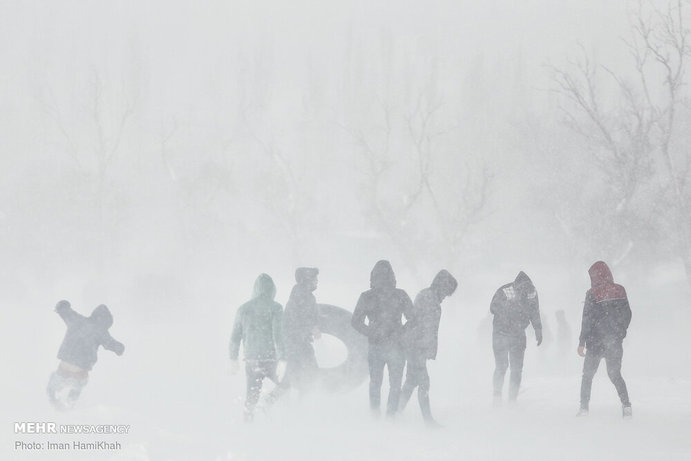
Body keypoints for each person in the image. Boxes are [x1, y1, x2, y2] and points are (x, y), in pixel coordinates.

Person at [351, 260, 413, 418]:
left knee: (376, 383)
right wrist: (400, 332)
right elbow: (413, 319)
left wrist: (371, 332)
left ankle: (375, 415)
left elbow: (356, 321)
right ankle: (390, 415)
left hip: (378, 345)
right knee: (394, 384)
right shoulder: (400, 295)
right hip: (394, 346)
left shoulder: (367, 296)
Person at [399, 270, 458, 426]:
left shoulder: (429, 297)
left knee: (411, 381)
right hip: (415, 346)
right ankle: (427, 420)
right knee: (424, 382)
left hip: (416, 346)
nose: (446, 297)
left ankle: (396, 412)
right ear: (441, 286)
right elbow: (421, 325)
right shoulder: (428, 298)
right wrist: (422, 348)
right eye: (446, 292)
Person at [577, 261, 632, 418]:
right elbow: (627, 314)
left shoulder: (592, 293)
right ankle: (626, 405)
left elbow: (586, 320)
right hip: (614, 342)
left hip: (595, 343)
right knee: (615, 374)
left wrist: (581, 342)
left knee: (587, 375)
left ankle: (584, 408)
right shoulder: (620, 290)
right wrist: (620, 332)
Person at [47, 300, 125, 410]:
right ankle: (69, 404)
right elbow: (112, 344)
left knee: (51, 388)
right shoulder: (101, 331)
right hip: (79, 374)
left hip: (63, 369)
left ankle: (53, 402)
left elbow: (65, 311)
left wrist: (62, 306)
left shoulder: (77, 319)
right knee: (79, 384)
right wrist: (119, 348)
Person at [229, 273, 285, 422]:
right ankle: (269, 402)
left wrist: (233, 359)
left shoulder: (243, 309)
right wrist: (283, 358)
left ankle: (248, 424)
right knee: (287, 382)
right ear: (272, 289)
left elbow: (235, 337)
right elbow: (278, 335)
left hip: (252, 360)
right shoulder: (276, 308)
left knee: (251, 395)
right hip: (270, 358)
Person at [269, 267, 321, 402]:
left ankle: (291, 405)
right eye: (314, 279)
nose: (317, 281)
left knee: (299, 375)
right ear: (306, 280)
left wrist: (312, 327)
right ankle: (272, 402)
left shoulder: (302, 295)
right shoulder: (302, 296)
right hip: (297, 343)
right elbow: (298, 319)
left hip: (297, 342)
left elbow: (304, 317)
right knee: (307, 374)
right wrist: (312, 328)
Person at [490, 271, 542, 404]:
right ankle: (497, 396)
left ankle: (512, 399)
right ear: (517, 287)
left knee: (517, 368)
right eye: (522, 291)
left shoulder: (532, 292)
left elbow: (535, 311)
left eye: (527, 291)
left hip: (518, 334)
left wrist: (538, 329)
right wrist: (509, 311)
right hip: (501, 333)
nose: (524, 294)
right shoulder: (505, 291)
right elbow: (493, 308)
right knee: (502, 366)